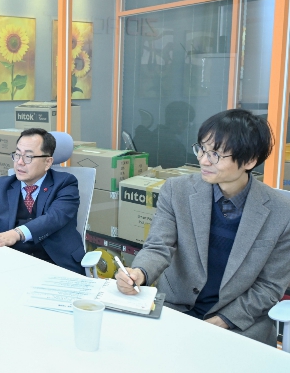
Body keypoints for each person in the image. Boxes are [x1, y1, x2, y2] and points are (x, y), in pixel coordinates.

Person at [116, 109, 290, 346]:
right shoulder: (177, 190)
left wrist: (221, 321)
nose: (203, 160)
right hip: (175, 310)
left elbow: (269, 287)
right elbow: (158, 246)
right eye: (202, 149)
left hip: (238, 323)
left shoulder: (282, 212)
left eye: (216, 154)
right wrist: (140, 273)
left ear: (249, 160)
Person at [0, 128, 85, 274]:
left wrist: (16, 233)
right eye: (17, 154)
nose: (20, 162)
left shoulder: (65, 183)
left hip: (57, 263)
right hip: (13, 263)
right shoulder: (3, 185)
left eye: (28, 157)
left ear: (47, 162)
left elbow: (54, 218)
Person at [134, 101, 196, 168]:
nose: (189, 128)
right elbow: (183, 164)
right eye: (189, 124)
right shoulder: (174, 146)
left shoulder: (152, 136)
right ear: (180, 123)